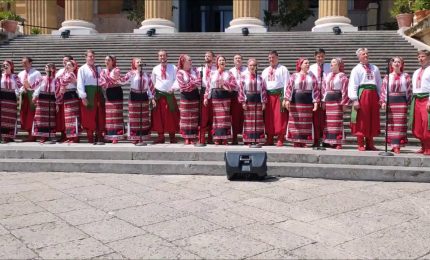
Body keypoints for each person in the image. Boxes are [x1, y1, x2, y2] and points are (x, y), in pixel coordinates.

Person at [348, 48, 382, 151]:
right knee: (362, 119)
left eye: (367, 54)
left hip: (373, 94)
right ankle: (360, 143)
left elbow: (379, 83)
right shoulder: (356, 69)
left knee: (372, 118)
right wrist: (354, 99)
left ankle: (370, 143)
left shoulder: (374, 68)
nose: (366, 56)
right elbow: (353, 84)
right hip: (363, 94)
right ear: (359, 56)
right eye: (363, 54)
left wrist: (380, 97)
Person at [283, 58, 319, 147]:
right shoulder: (294, 76)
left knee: (305, 121)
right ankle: (296, 141)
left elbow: (315, 90)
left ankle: (303, 141)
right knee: (296, 121)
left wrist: (316, 102)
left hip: (307, 101)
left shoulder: (312, 76)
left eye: (308, 63)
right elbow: (289, 88)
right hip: (296, 101)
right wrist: (287, 100)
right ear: (300, 65)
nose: (307, 65)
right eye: (305, 63)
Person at [380, 57, 411, 154]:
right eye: (395, 62)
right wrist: (383, 102)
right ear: (391, 65)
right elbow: (384, 90)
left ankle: (398, 145)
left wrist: (408, 102)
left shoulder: (406, 76)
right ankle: (392, 144)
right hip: (391, 102)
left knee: (400, 125)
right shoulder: (387, 77)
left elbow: (409, 90)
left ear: (401, 64)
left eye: (399, 62)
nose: (397, 63)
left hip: (401, 102)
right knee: (391, 125)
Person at [121, 58, 156, 144]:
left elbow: (150, 87)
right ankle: (134, 136)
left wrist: (152, 98)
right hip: (134, 96)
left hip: (143, 96)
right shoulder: (131, 74)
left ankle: (142, 136)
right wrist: (116, 77)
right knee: (134, 117)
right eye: (138, 62)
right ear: (134, 64)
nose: (140, 63)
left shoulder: (146, 75)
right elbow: (123, 81)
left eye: (141, 62)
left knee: (143, 117)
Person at [203, 55, 236, 145]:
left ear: (225, 62)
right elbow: (208, 86)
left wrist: (225, 84)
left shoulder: (229, 73)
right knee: (217, 118)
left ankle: (225, 138)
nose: (221, 62)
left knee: (225, 117)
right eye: (220, 60)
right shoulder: (212, 73)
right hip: (215, 96)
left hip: (225, 96)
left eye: (223, 60)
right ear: (217, 62)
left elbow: (234, 84)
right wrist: (206, 97)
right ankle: (217, 138)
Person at [261, 50, 290, 147]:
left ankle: (280, 138)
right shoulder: (265, 71)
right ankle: (269, 138)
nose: (271, 60)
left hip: (279, 95)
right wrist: (263, 99)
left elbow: (287, 83)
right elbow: (262, 86)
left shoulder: (283, 69)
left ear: (277, 58)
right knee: (269, 118)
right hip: (268, 96)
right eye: (269, 58)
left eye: (273, 57)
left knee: (280, 117)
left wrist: (286, 98)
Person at [151, 50, 179, 144]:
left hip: (169, 95)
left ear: (167, 56)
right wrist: (152, 96)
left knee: (171, 116)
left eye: (164, 55)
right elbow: (152, 83)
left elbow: (177, 79)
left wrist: (173, 88)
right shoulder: (155, 69)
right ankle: (160, 137)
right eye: (160, 56)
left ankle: (172, 137)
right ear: (158, 57)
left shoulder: (173, 67)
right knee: (159, 117)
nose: (162, 57)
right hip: (159, 96)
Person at [77, 49, 105, 144]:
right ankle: (90, 137)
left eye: (93, 56)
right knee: (89, 116)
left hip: (98, 93)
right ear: (86, 57)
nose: (92, 58)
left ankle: (99, 135)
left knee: (99, 115)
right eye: (90, 56)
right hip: (88, 94)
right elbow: (80, 83)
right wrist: (83, 97)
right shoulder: (82, 69)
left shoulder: (98, 68)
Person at [321, 58, 350, 149]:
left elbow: (345, 90)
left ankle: (338, 141)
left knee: (337, 121)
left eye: (333, 63)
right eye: (331, 63)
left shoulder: (342, 76)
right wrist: (323, 101)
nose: (331, 65)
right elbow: (324, 89)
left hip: (337, 101)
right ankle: (329, 141)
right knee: (328, 122)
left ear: (338, 65)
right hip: (329, 101)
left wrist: (345, 103)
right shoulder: (328, 75)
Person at [238, 58, 267, 145]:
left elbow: (263, 90)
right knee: (248, 120)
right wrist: (243, 102)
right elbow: (241, 90)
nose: (252, 67)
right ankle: (248, 139)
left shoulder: (260, 78)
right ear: (248, 66)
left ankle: (257, 139)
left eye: (254, 65)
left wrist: (264, 102)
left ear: (256, 66)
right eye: (250, 65)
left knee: (258, 121)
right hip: (248, 101)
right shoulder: (243, 77)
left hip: (258, 101)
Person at [176, 54, 202, 145]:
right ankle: (186, 138)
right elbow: (182, 86)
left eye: (191, 60)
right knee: (185, 118)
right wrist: (193, 84)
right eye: (189, 60)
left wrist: (190, 84)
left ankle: (193, 137)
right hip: (185, 97)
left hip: (195, 96)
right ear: (183, 62)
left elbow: (199, 81)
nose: (191, 62)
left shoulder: (195, 70)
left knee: (194, 117)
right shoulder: (180, 72)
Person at [99, 55, 124, 144]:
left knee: (116, 114)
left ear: (113, 61)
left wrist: (107, 81)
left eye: (109, 60)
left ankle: (117, 136)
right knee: (109, 115)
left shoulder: (116, 69)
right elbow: (102, 82)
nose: (106, 61)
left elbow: (114, 79)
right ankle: (110, 135)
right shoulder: (103, 71)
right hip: (109, 92)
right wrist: (108, 81)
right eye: (105, 60)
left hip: (116, 92)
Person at [309, 48, 330, 147]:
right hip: (314, 95)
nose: (320, 58)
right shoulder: (311, 68)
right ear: (315, 57)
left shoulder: (329, 66)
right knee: (315, 119)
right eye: (318, 56)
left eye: (322, 56)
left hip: (326, 95)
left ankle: (326, 139)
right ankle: (316, 139)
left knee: (325, 119)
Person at [410, 50, 430, 155]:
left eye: (423, 56)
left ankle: (428, 147)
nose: (420, 59)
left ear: (428, 57)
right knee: (418, 124)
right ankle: (423, 146)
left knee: (427, 122)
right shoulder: (416, 71)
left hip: (427, 98)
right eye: (419, 57)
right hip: (417, 99)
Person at [32, 63, 58, 143]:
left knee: (50, 118)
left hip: (51, 99)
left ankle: (49, 135)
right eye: (46, 67)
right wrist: (35, 96)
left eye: (50, 68)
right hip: (42, 99)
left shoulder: (56, 80)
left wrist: (57, 102)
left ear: (53, 69)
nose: (48, 69)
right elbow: (35, 87)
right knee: (41, 118)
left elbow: (57, 91)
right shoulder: (41, 78)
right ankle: (42, 136)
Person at [18, 56, 42, 141]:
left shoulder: (36, 73)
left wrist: (33, 93)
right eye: (22, 62)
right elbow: (18, 85)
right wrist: (22, 90)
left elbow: (39, 85)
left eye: (25, 62)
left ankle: (33, 135)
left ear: (30, 63)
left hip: (32, 96)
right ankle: (29, 133)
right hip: (24, 96)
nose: (23, 64)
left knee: (31, 116)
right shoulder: (20, 73)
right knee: (23, 115)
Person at [56, 60, 80, 143]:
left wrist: (61, 84)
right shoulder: (65, 74)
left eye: (69, 65)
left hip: (71, 95)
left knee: (73, 117)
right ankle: (70, 137)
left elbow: (63, 82)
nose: (67, 66)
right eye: (66, 65)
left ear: (74, 67)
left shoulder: (71, 74)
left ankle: (75, 137)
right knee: (68, 118)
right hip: (67, 95)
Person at [197, 51, 216, 144]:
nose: (207, 57)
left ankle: (211, 137)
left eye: (209, 56)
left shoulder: (216, 69)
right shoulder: (200, 69)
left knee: (212, 115)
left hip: (213, 92)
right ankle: (202, 138)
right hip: (203, 91)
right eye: (205, 56)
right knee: (203, 115)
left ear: (213, 58)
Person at [0, 60, 21, 143]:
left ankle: (10, 136)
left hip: (12, 99)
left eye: (7, 64)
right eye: (4, 65)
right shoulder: (1, 75)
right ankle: (3, 137)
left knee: (11, 118)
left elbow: (20, 86)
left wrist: (18, 93)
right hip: (2, 98)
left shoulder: (15, 77)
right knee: (2, 118)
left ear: (11, 66)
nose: (5, 66)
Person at [54, 55, 74, 142]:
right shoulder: (60, 71)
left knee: (69, 116)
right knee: (61, 117)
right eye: (63, 61)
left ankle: (70, 135)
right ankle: (63, 134)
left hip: (69, 95)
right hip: (59, 97)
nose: (64, 62)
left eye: (66, 61)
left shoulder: (73, 71)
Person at [229, 54, 246, 144]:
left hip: (245, 95)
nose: (238, 60)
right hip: (234, 95)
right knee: (234, 117)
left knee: (245, 116)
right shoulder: (230, 71)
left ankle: (247, 137)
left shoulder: (246, 70)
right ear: (233, 61)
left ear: (242, 60)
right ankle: (234, 137)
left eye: (239, 58)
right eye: (236, 58)